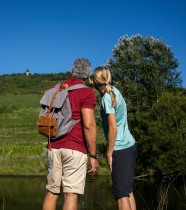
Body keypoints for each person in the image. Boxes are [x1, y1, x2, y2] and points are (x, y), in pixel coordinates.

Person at [42, 58, 99, 210]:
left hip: (53, 147)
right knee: (71, 194)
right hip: (75, 148)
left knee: (52, 191)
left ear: (71, 72)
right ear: (88, 75)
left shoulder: (55, 89)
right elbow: (89, 125)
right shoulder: (87, 92)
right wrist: (93, 155)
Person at [90, 66, 137, 210]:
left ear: (97, 83)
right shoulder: (116, 92)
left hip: (119, 150)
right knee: (128, 192)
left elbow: (113, 128)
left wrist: (109, 153)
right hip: (130, 146)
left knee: (121, 195)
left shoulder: (106, 99)